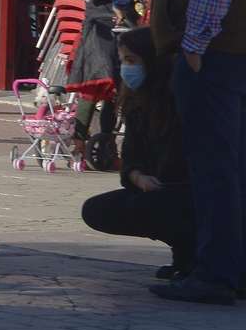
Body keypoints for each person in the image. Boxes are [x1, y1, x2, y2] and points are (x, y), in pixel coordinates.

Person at [148, 0, 246, 306]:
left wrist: (193, 45)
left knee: (215, 169)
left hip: (215, 58)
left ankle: (217, 273)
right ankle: (234, 271)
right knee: (234, 168)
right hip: (232, 55)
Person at [81, 27, 196, 283]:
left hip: (189, 189)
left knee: (142, 208)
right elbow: (132, 155)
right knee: (97, 210)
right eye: (122, 61)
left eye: (131, 61)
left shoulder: (183, 99)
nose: (125, 68)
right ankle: (184, 254)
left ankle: (195, 255)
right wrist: (138, 177)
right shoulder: (136, 102)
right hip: (156, 188)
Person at [70, 0, 134, 147]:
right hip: (99, 28)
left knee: (117, 90)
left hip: (122, 26)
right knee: (97, 84)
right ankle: (78, 142)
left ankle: (106, 146)